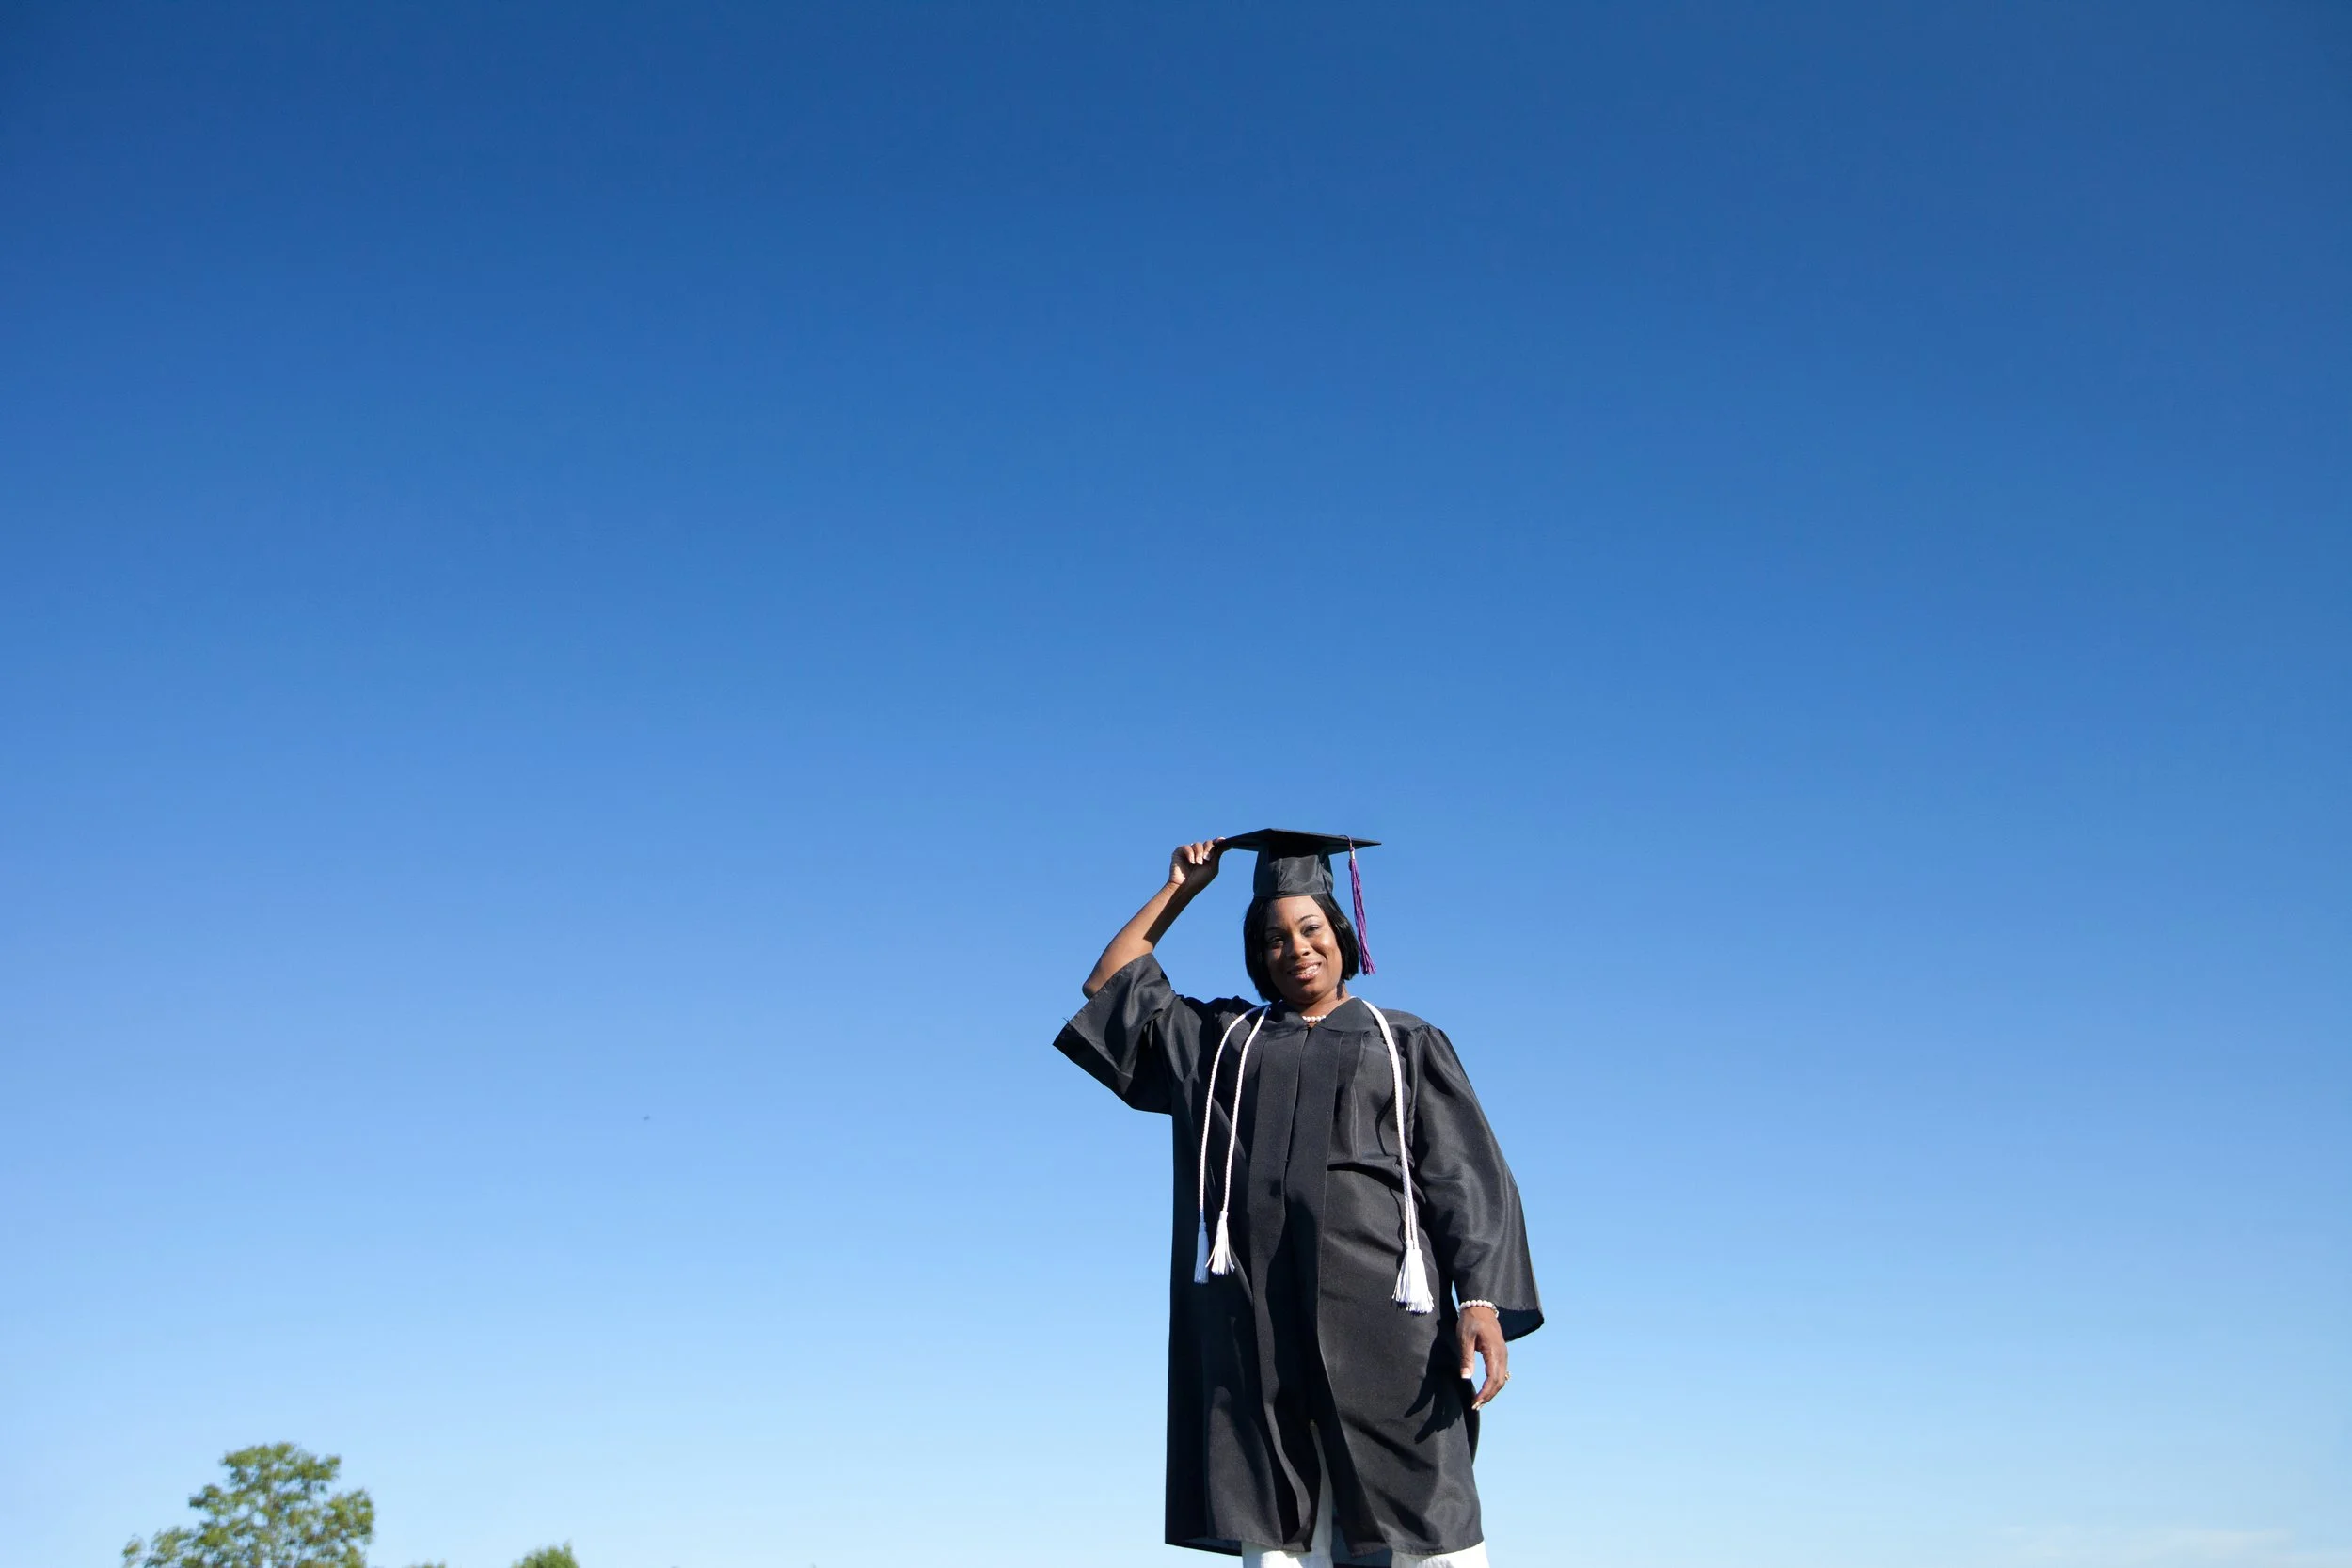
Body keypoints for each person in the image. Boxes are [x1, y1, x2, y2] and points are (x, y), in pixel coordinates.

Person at [1056, 831, 1542, 1567]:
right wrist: (1182, 888)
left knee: (1429, 1535)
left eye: (1310, 927)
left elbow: (1466, 1178)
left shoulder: (1405, 1042)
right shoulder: (1223, 1042)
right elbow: (1109, 983)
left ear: (1340, 933)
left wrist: (1479, 1300)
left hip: (1388, 1333)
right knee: (1279, 1540)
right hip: (1256, 1339)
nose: (1297, 948)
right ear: (1258, 952)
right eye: (1275, 937)